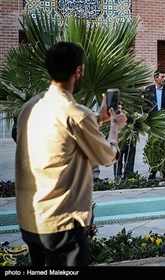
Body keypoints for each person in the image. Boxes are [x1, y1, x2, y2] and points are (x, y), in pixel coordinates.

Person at [15, 42, 127, 266]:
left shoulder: (31, 106)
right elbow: (106, 157)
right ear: (78, 71)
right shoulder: (77, 113)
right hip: (61, 223)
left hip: (30, 218)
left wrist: (97, 118)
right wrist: (114, 128)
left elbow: (59, 132)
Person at [145, 69, 165, 179]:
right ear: (156, 78)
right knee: (153, 146)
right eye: (162, 77)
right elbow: (145, 106)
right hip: (153, 124)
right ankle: (153, 170)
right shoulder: (148, 90)